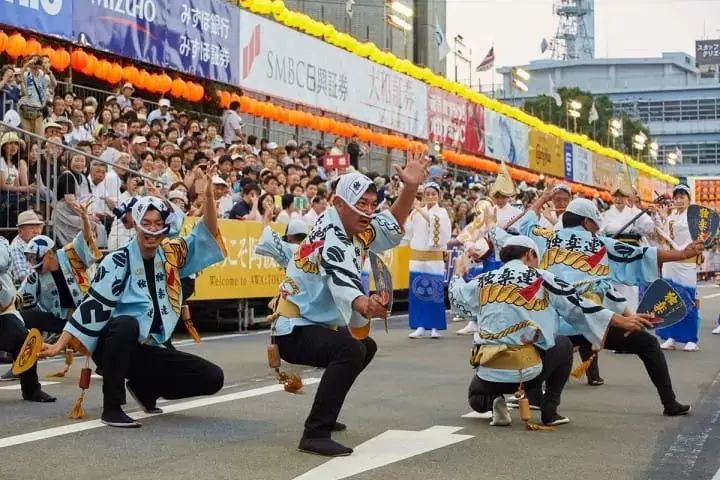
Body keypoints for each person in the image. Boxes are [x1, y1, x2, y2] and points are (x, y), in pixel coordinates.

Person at [41, 165, 227, 428]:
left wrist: (208, 196)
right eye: (146, 223)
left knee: (212, 377)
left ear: (164, 228)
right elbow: (92, 304)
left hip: (151, 346)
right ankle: (112, 406)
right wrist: (60, 343)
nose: (152, 230)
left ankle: (146, 388)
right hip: (114, 345)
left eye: (158, 224)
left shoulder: (171, 254)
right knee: (126, 323)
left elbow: (205, 234)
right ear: (137, 225)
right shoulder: (118, 260)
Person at [270, 153, 428, 457]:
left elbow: (389, 224)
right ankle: (315, 431)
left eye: (372, 204)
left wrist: (409, 189)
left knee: (364, 347)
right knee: (351, 349)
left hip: (312, 324)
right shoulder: (332, 234)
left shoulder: (352, 227)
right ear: (338, 203)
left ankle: (327, 408)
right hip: (293, 328)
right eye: (361, 205)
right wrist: (364, 304)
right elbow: (340, 277)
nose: (368, 212)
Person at [498, 189, 702, 415]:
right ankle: (669, 403)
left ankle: (533, 396)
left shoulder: (546, 238)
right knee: (648, 345)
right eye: (595, 222)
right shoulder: (600, 245)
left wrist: (543, 199)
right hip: (591, 319)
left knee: (550, 349)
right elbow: (641, 254)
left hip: (555, 324)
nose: (598, 226)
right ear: (586, 222)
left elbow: (526, 223)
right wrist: (682, 254)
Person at [450, 236, 654, 426]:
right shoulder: (541, 277)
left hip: (490, 370)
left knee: (476, 398)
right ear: (530, 254)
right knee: (563, 343)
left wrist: (459, 274)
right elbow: (578, 305)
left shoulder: (484, 280)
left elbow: (457, 298)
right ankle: (550, 410)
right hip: (528, 371)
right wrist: (621, 321)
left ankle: (496, 401)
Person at [0, 241, 56, 402]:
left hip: (4, 310)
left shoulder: (2, 243)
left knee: (24, 341)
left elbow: (3, 261)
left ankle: (32, 390)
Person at [656, 184, 701, 352]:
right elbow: (662, 239)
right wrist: (663, 217)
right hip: (671, 262)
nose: (679, 200)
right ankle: (671, 336)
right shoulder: (671, 216)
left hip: (686, 262)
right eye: (676, 197)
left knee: (687, 299)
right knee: (670, 300)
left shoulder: (694, 216)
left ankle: (691, 339)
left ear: (689, 199)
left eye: (683, 197)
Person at [405, 181, 452, 339]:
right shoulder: (415, 213)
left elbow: (437, 224)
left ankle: (435, 327)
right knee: (417, 293)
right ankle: (419, 325)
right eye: (427, 194)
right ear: (423, 196)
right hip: (417, 258)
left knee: (434, 293)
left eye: (433, 194)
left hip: (434, 259)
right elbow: (407, 233)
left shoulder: (442, 213)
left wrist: (418, 208)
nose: (430, 197)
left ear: (438, 196)